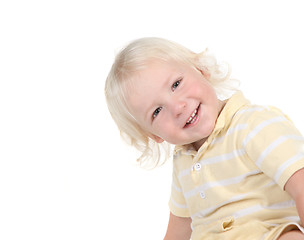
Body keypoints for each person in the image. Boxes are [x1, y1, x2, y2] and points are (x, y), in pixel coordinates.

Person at [104, 37, 304, 240]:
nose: (177, 107)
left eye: (176, 84)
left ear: (201, 69)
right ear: (154, 135)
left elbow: (300, 183)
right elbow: (178, 230)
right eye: (157, 111)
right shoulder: (183, 160)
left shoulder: (253, 124)